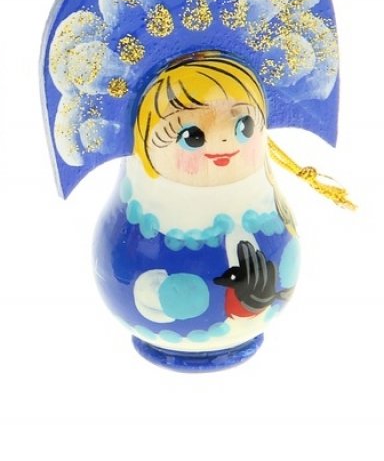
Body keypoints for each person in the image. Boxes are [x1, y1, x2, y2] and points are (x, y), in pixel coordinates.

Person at [94, 51, 300, 368]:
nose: (222, 142)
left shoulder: (263, 215)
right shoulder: (151, 222)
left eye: (244, 125)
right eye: (192, 136)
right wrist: (164, 296)